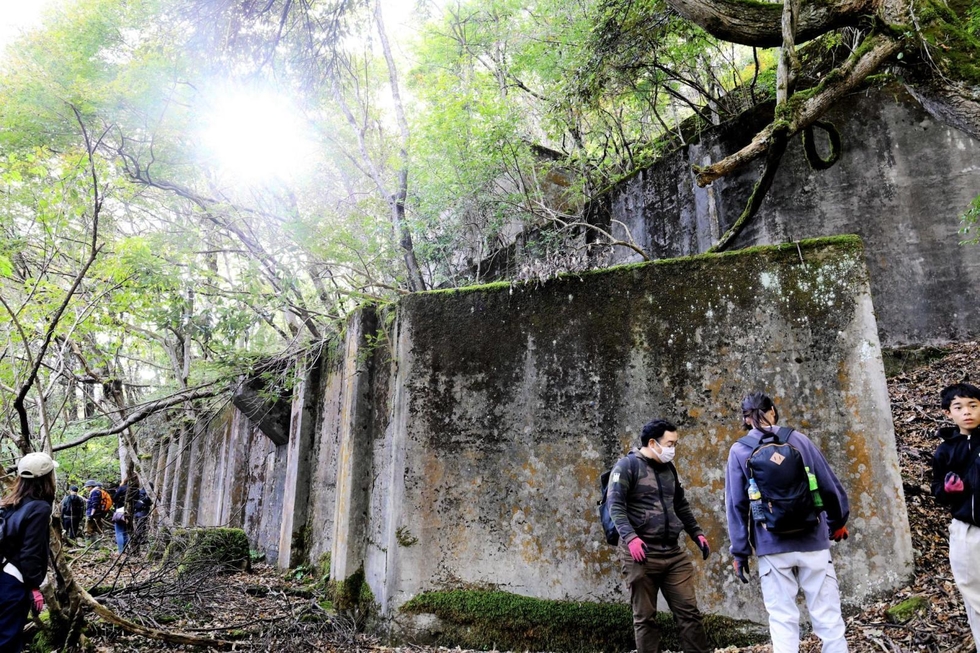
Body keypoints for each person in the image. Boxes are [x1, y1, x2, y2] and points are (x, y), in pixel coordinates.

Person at [725, 392, 850, 653]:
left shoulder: (739, 450)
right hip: (813, 541)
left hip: (772, 546)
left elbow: (737, 505)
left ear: (745, 419)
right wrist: (838, 521)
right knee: (828, 616)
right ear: (772, 410)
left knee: (782, 620)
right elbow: (828, 484)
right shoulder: (798, 439)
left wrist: (740, 551)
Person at [607, 418, 712, 653]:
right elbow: (615, 506)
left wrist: (696, 533)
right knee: (645, 618)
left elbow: (680, 504)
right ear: (653, 442)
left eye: (675, 444)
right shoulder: (627, 466)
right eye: (670, 443)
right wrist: (631, 538)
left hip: (673, 553)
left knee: (689, 614)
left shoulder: (668, 469)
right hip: (642, 554)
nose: (673, 449)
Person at [930, 382, 980, 649]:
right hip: (966, 530)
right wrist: (948, 491)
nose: (967, 412)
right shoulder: (945, 450)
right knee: (973, 593)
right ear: (948, 413)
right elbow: (936, 489)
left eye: (973, 405)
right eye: (959, 407)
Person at [0, 452, 58, 652]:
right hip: (13, 583)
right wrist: (34, 587)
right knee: (7, 640)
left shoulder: (9, 502)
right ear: (47, 478)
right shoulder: (39, 508)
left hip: (3, 574)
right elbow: (30, 552)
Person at [111, 473, 140, 554]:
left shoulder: (122, 488)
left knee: (119, 531)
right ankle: (125, 550)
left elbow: (114, 498)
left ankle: (120, 551)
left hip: (120, 510)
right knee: (125, 532)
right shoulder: (136, 490)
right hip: (131, 512)